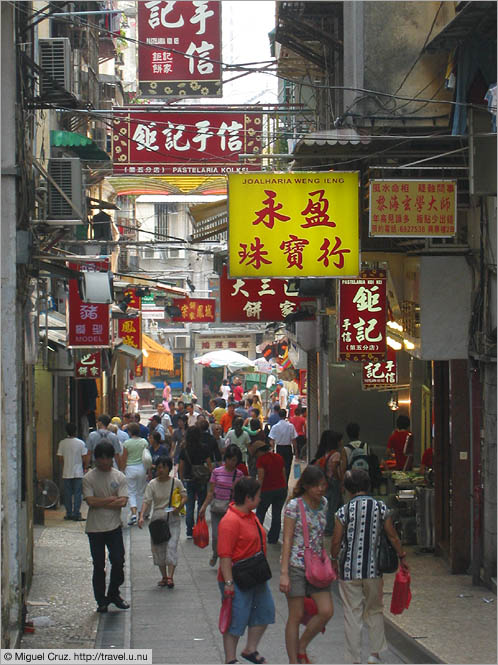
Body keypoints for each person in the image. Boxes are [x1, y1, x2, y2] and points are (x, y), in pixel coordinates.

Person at [330, 469, 408, 665]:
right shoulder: (381, 508)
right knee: (374, 609)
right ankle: (375, 654)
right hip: (374, 571)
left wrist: (333, 559)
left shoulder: (343, 511)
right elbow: (392, 536)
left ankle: (354, 658)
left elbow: (336, 541)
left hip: (349, 570)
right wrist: (402, 556)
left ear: (348, 489)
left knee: (352, 613)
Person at [217, 476, 275, 665]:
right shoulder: (230, 521)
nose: (260, 499)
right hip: (236, 577)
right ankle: (230, 659)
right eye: (258, 496)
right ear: (249, 498)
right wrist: (228, 583)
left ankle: (250, 649)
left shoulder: (250, 515)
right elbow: (225, 556)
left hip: (256, 575)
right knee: (236, 618)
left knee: (265, 611)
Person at [280, 465, 334, 664]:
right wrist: (284, 573)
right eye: (316, 486)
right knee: (296, 614)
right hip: (296, 565)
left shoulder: (325, 503)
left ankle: (302, 646)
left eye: (323, 486)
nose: (320, 490)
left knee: (326, 610)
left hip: (317, 566)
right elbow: (286, 540)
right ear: (306, 486)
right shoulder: (294, 506)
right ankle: (294, 660)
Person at [82, 441, 129, 613]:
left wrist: (101, 502)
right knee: (98, 565)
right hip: (95, 528)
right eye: (101, 459)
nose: (104, 462)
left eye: (107, 459)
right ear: (96, 459)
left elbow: (123, 501)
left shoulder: (119, 477)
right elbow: (90, 501)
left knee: (118, 560)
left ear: (111, 459)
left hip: (114, 526)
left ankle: (113, 593)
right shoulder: (88, 478)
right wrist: (111, 499)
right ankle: (101, 600)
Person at [138, 455, 187, 588]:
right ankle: (164, 576)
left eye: (164, 467)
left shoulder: (176, 482)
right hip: (158, 520)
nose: (161, 470)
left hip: (172, 518)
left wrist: (179, 507)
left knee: (171, 546)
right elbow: (147, 501)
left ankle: (170, 577)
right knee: (158, 548)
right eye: (159, 467)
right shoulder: (152, 484)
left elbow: (184, 496)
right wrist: (141, 515)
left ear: (169, 468)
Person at [199, 444, 245, 567]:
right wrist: (203, 507)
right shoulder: (216, 472)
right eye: (229, 459)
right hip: (217, 509)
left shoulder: (239, 475)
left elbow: (241, 494)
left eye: (234, 460)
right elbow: (210, 492)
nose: (231, 462)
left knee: (231, 537)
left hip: (231, 510)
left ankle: (228, 558)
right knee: (216, 536)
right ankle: (216, 553)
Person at [179, 426, 212, 539]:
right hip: (201, 479)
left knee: (189, 505)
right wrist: (210, 475)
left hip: (188, 479)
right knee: (201, 504)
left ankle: (189, 531)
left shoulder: (185, 448)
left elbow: (181, 465)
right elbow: (209, 463)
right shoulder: (204, 447)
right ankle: (199, 527)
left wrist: (181, 478)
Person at [254, 442, 287, 544]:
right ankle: (273, 538)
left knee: (260, 513)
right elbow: (283, 473)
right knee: (277, 514)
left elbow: (261, 478)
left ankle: (257, 536)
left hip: (266, 490)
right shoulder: (278, 457)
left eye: (256, 453)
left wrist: (257, 493)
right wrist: (285, 487)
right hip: (281, 489)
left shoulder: (261, 460)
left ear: (260, 451)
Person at [312, 430, 343, 536]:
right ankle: (330, 529)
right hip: (333, 481)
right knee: (333, 506)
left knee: (328, 505)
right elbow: (334, 468)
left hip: (325, 481)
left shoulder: (324, 452)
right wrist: (340, 478)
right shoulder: (336, 454)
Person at [119, 422, 149, 526]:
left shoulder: (127, 443)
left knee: (131, 492)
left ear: (130, 432)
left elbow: (124, 458)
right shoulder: (144, 442)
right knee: (140, 492)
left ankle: (133, 513)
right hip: (142, 467)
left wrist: (122, 469)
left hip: (130, 468)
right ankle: (141, 514)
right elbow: (147, 456)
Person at [57, 422, 88, 521]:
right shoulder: (80, 443)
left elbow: (60, 458)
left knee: (68, 493)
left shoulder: (62, 443)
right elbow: (84, 458)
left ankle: (69, 513)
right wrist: (85, 467)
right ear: (75, 431)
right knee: (78, 493)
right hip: (78, 472)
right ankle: (76, 513)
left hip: (66, 471)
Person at [269, 409, 298, 483]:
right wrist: (296, 450)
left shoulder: (275, 427)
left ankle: (281, 482)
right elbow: (294, 439)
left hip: (279, 449)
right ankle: (286, 482)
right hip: (288, 449)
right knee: (287, 467)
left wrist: (272, 449)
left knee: (279, 467)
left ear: (279, 415)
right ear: (286, 415)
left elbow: (272, 440)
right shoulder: (290, 426)